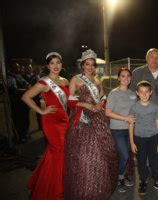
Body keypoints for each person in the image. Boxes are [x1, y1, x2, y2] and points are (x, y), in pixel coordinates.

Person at [64, 49, 118, 200]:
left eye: (93, 65)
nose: (90, 67)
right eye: (87, 64)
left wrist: (101, 103)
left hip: (98, 116)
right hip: (82, 117)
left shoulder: (98, 80)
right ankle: (84, 187)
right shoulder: (75, 79)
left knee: (104, 150)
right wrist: (86, 106)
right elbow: (70, 101)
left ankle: (99, 186)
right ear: (83, 65)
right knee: (84, 153)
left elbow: (102, 97)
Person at [22, 52, 69, 199]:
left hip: (65, 120)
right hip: (51, 122)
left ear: (61, 64)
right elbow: (25, 97)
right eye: (52, 63)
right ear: (48, 65)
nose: (56, 66)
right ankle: (54, 189)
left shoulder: (65, 81)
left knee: (58, 153)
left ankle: (54, 181)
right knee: (58, 150)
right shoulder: (44, 83)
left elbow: (70, 102)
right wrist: (41, 111)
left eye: (58, 63)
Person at [130, 48, 158, 171]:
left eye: (157, 57)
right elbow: (132, 93)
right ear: (147, 59)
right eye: (152, 57)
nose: (154, 60)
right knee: (145, 140)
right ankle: (145, 165)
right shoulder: (137, 73)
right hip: (143, 115)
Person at [129, 81, 158, 195]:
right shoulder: (134, 107)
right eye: (141, 92)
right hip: (139, 138)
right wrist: (132, 142)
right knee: (141, 162)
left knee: (155, 161)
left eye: (147, 92)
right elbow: (131, 125)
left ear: (151, 93)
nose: (144, 94)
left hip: (153, 138)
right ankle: (143, 181)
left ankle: (157, 181)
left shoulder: (155, 107)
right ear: (137, 93)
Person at [105, 67, 136, 193]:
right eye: (123, 76)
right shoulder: (113, 93)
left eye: (128, 76)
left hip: (130, 130)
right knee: (123, 154)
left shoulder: (133, 94)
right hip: (117, 129)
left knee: (127, 154)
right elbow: (108, 112)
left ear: (131, 79)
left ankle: (123, 174)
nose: (126, 78)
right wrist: (125, 118)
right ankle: (120, 178)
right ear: (118, 78)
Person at [7, 62, 30, 143]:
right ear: (11, 68)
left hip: (23, 102)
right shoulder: (10, 77)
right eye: (16, 67)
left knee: (24, 119)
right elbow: (14, 90)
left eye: (18, 67)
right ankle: (18, 137)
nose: (18, 69)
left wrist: (27, 86)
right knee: (18, 120)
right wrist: (26, 90)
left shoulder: (19, 76)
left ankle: (24, 135)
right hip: (16, 103)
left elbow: (27, 84)